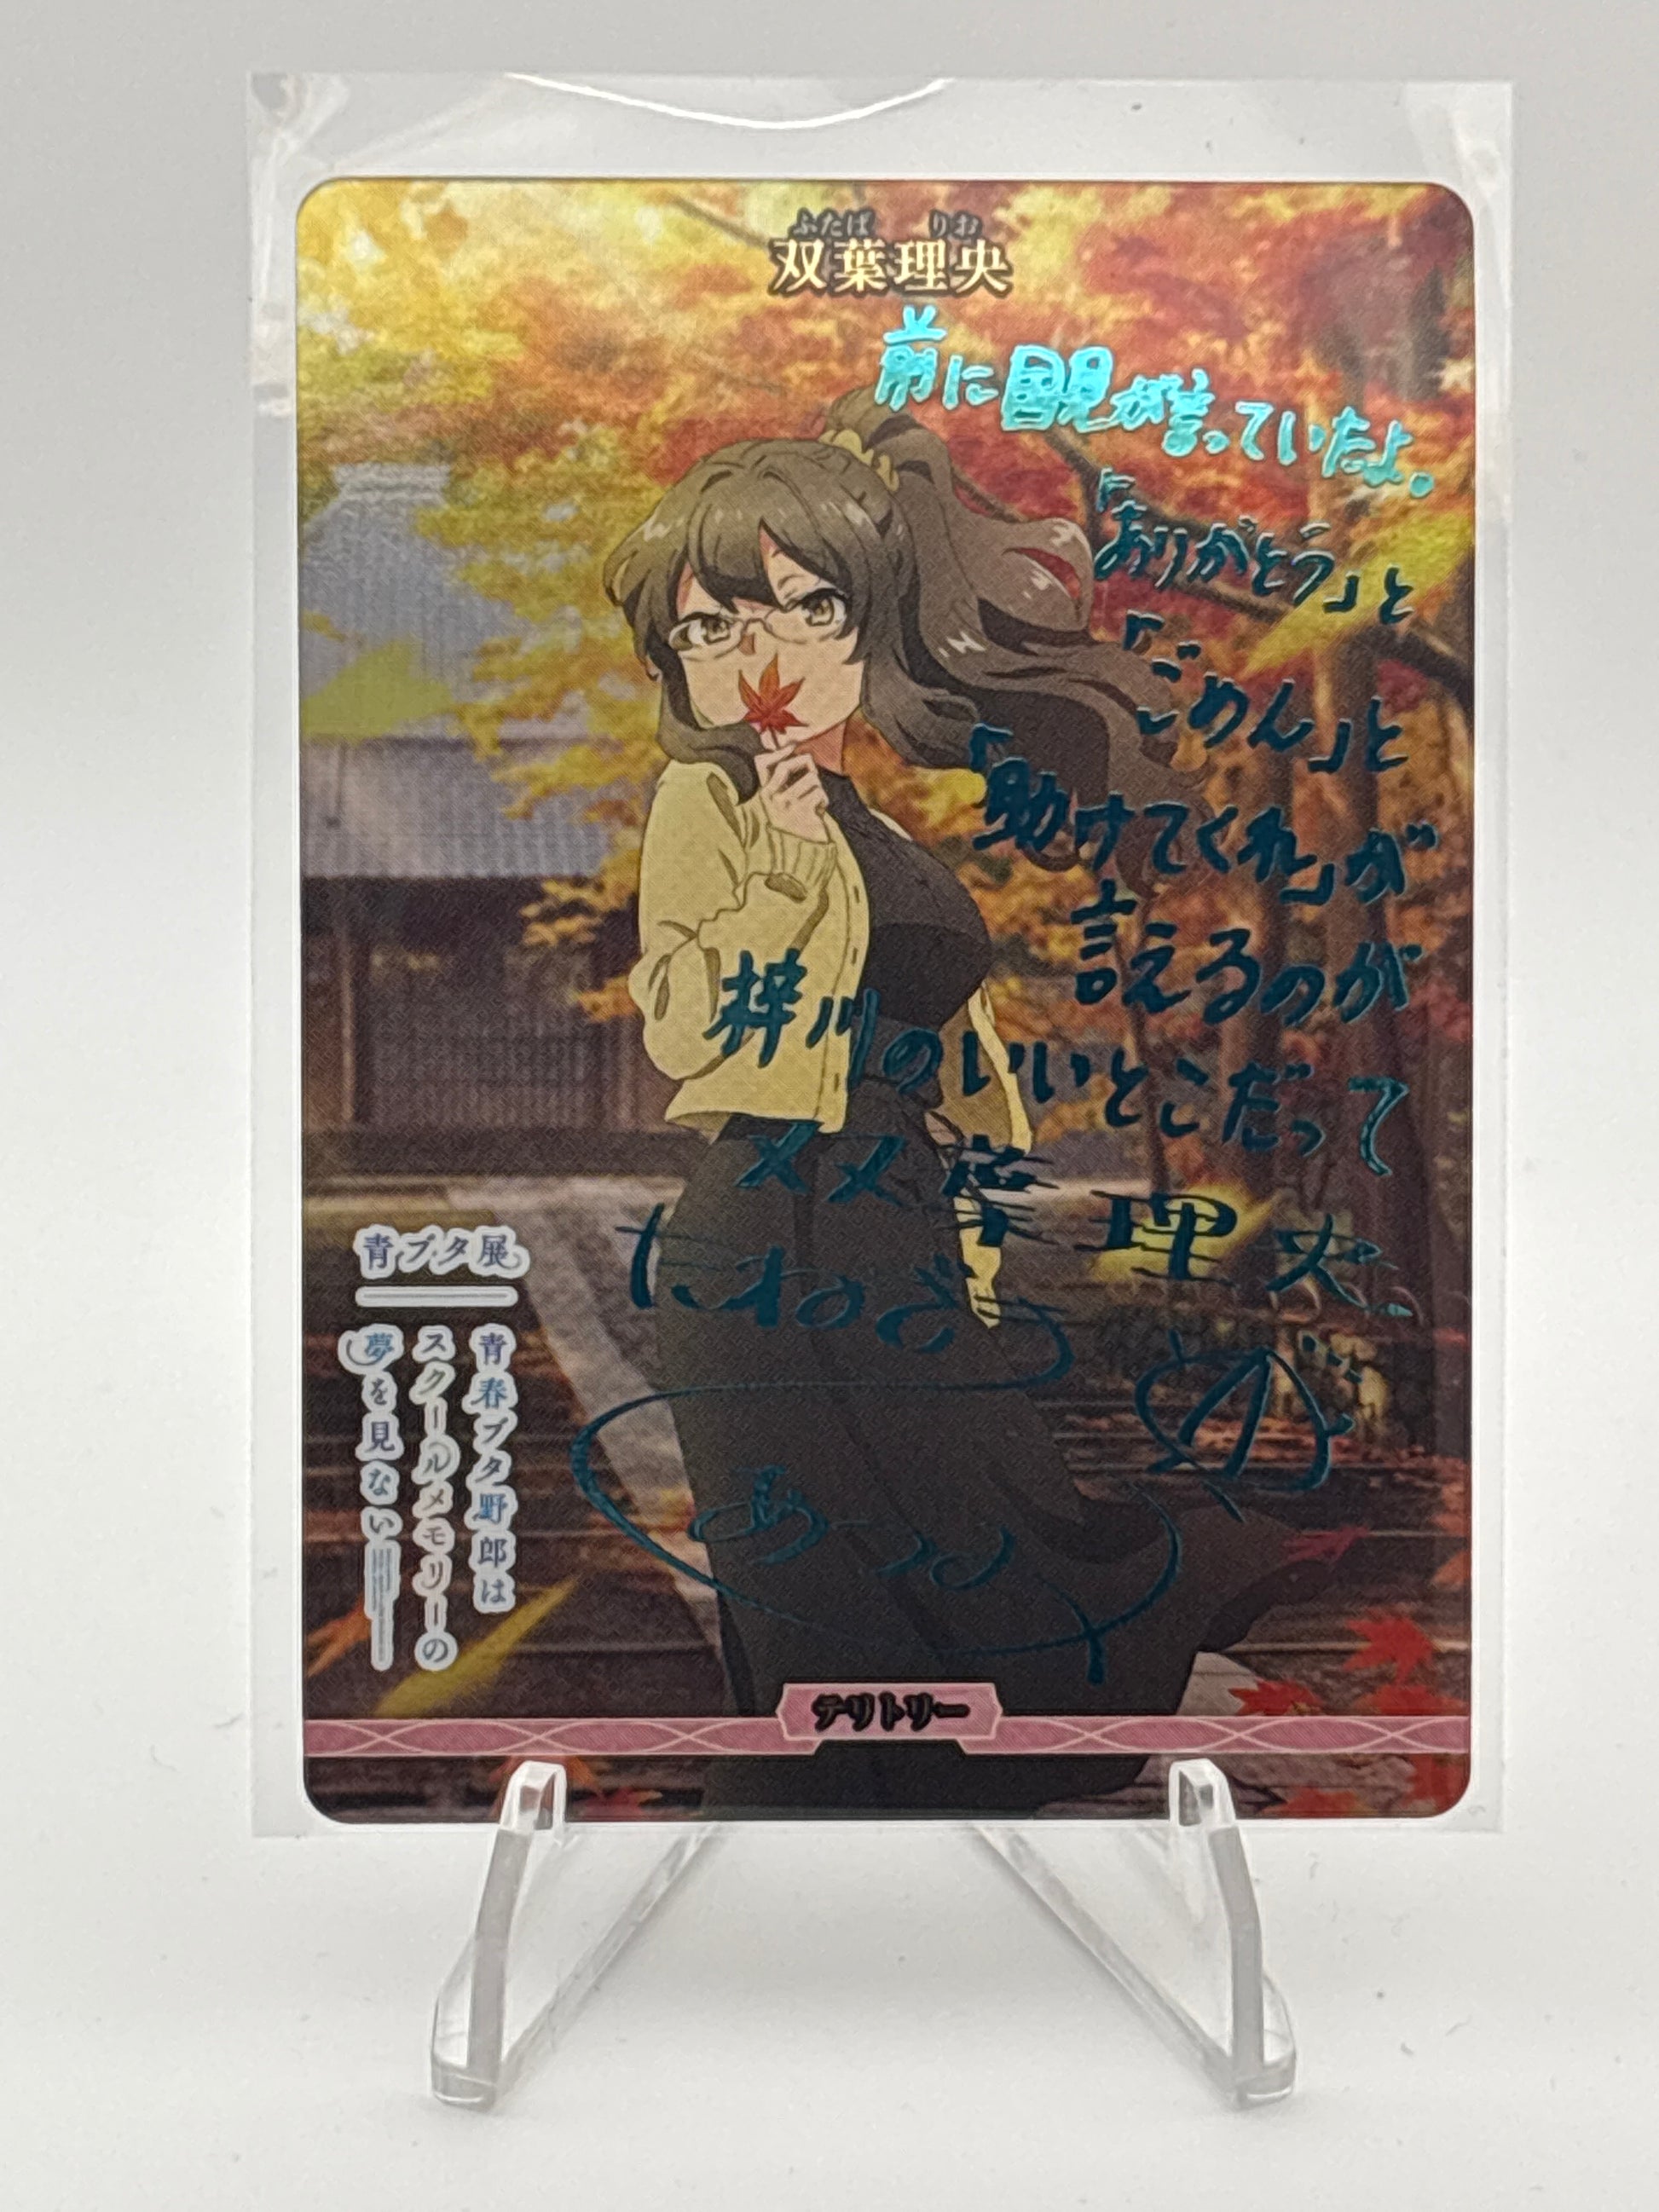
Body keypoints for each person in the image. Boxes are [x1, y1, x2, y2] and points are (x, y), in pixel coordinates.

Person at [602, 390, 1325, 1815]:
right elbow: (683, 1019)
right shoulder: (710, 804)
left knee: (968, 1497)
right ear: (677, 661)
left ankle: (1048, 1707)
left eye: (804, 610)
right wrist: (775, 877)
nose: (759, 657)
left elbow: (945, 1048)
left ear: (866, 624)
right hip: (772, 1215)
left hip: (891, 1202)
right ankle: (850, 1816)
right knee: (830, 1554)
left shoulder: (867, 821)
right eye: (710, 628)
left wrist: (972, 1217)